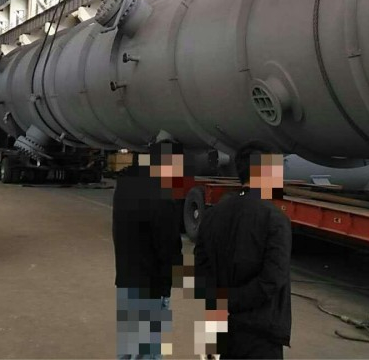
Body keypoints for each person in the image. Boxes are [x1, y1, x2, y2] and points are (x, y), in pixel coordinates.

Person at [194, 147, 292, 359]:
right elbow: (272, 280)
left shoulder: (212, 215)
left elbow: (201, 269)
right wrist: (233, 302)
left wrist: (221, 302)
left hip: (222, 327)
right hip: (260, 333)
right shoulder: (275, 220)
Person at [112, 142, 184, 359]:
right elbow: (168, 247)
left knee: (128, 349)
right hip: (151, 287)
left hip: (126, 279)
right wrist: (169, 283)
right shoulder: (162, 196)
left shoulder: (124, 187)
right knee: (148, 351)